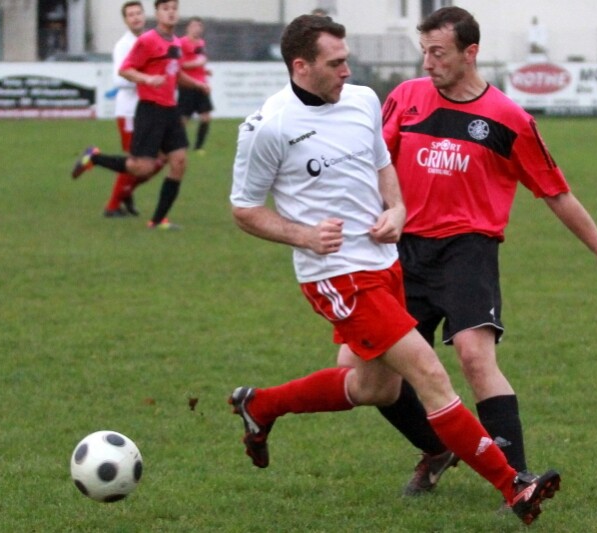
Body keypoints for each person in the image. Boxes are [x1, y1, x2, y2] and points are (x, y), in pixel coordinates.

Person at [229, 14, 560, 525]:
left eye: (347, 60)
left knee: (375, 388)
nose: (347, 70)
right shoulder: (266, 127)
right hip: (336, 276)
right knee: (429, 372)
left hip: (386, 263)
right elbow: (244, 210)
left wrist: (398, 209)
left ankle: (262, 405)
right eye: (335, 63)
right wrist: (304, 235)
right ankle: (513, 484)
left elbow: (383, 162)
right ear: (301, 66)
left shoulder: (362, 99)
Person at [345, 6, 597, 497]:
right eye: (424, 52)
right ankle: (437, 448)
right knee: (373, 378)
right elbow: (374, 164)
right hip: (402, 251)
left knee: (474, 356)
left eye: (438, 53)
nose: (427, 63)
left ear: (470, 52)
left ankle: (518, 480)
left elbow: (556, 193)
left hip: (468, 250)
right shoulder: (406, 98)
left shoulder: (509, 119)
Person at [71, 0, 209, 230]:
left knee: (179, 162)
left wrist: (197, 84)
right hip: (150, 109)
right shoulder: (147, 40)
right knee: (141, 167)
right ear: (157, 13)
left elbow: (175, 73)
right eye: (165, 9)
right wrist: (147, 79)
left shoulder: (176, 42)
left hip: (170, 110)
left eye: (174, 9)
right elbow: (125, 69)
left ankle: (157, 220)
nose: (171, 13)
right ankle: (94, 158)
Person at [101, 1, 150, 218]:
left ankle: (125, 193)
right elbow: (119, 79)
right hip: (129, 111)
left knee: (156, 159)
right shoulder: (123, 46)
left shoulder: (150, 40)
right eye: (131, 15)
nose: (136, 17)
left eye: (138, 13)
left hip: (148, 109)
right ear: (125, 20)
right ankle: (112, 206)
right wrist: (145, 78)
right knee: (136, 162)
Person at [177, 17, 214, 153]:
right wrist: (197, 64)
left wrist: (205, 70)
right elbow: (179, 65)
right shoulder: (181, 43)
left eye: (199, 26)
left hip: (202, 85)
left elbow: (199, 62)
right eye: (194, 26)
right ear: (188, 28)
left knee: (206, 117)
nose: (197, 29)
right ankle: (180, 144)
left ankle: (199, 147)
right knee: (183, 119)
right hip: (188, 85)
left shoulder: (201, 43)